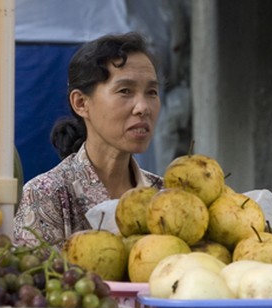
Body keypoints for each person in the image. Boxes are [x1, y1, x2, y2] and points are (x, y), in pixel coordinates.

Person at [13, 32, 164, 247]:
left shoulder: (164, 195)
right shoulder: (46, 195)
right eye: (125, 91)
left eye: (152, 92)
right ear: (81, 103)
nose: (143, 108)